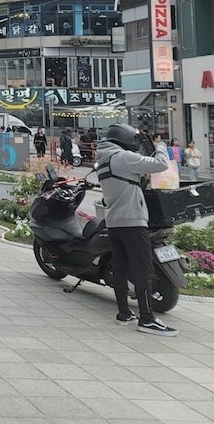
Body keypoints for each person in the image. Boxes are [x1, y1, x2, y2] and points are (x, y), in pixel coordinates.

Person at [96, 124, 178, 336]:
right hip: (132, 221)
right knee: (143, 270)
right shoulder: (123, 157)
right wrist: (160, 146)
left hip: (114, 222)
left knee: (121, 268)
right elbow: (160, 164)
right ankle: (147, 319)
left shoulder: (104, 159)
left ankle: (124, 312)